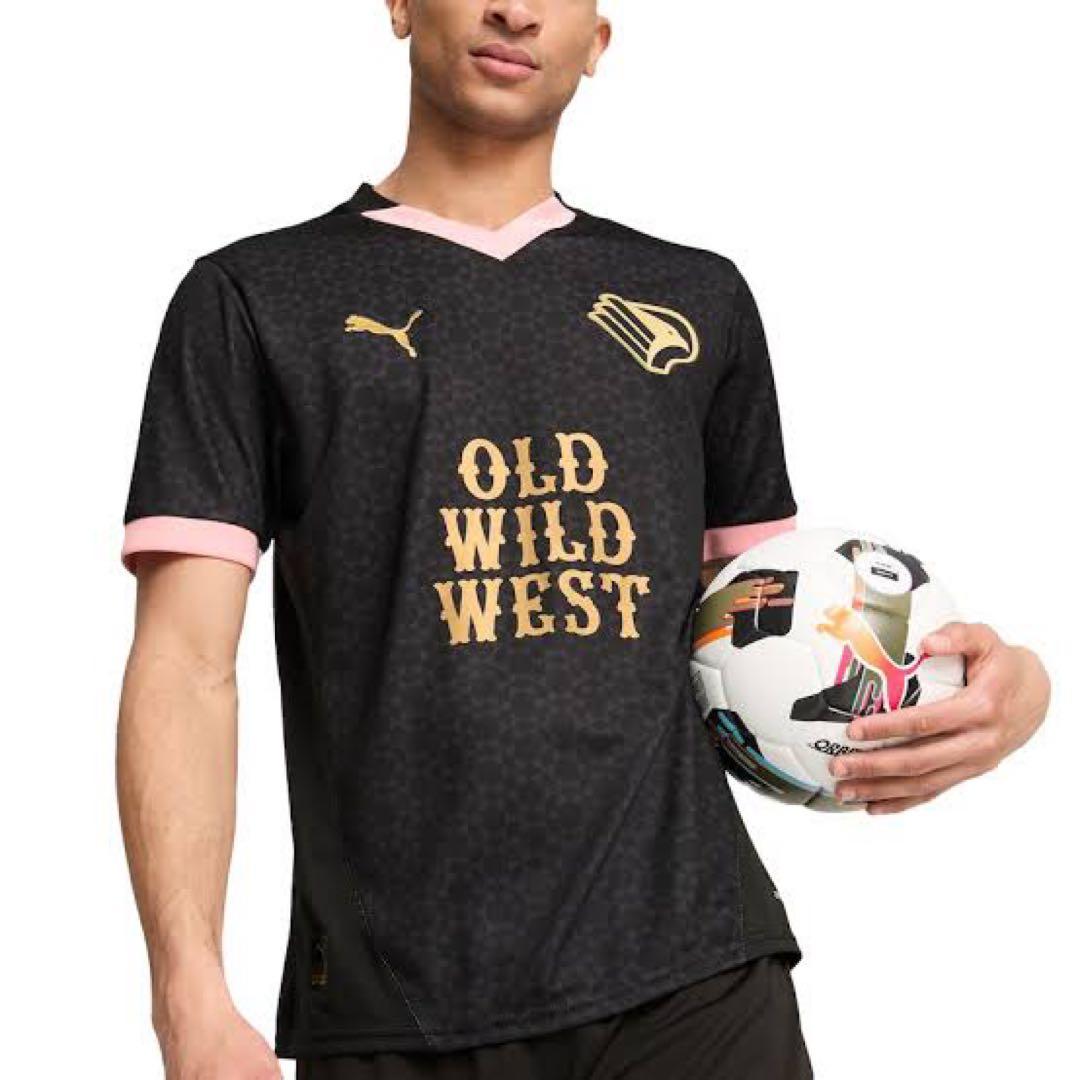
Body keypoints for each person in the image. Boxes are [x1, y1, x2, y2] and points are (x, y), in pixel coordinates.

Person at [115, 2, 1052, 1078]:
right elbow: (185, 665)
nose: (517, 9)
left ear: (599, 42)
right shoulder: (255, 298)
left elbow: (772, 634)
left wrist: (1009, 692)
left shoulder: (696, 298)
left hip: (697, 970)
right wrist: (186, 992)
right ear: (400, 4)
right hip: (403, 998)